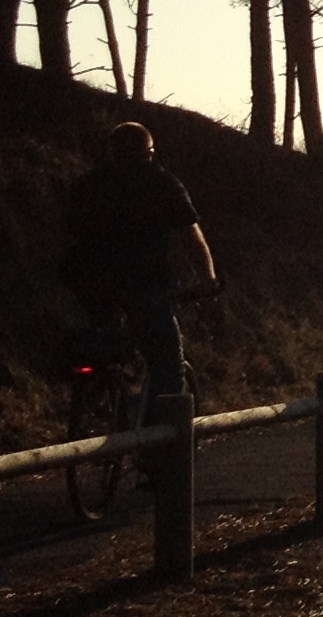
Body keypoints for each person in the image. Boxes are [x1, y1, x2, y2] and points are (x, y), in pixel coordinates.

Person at [60, 121, 218, 427]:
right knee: (167, 365)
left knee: (104, 343)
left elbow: (66, 233)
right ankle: (159, 448)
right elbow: (191, 237)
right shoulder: (161, 183)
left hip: (92, 286)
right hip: (146, 285)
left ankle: (95, 399)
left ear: (110, 151)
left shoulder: (87, 184)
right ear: (150, 152)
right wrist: (207, 280)